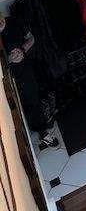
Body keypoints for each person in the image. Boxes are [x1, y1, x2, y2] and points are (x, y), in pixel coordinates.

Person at [0, 14, 59, 150]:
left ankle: (42, 127)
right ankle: (41, 129)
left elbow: (31, 39)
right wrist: (8, 59)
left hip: (25, 64)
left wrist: (22, 50)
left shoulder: (15, 21)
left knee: (32, 94)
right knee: (26, 98)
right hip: (10, 70)